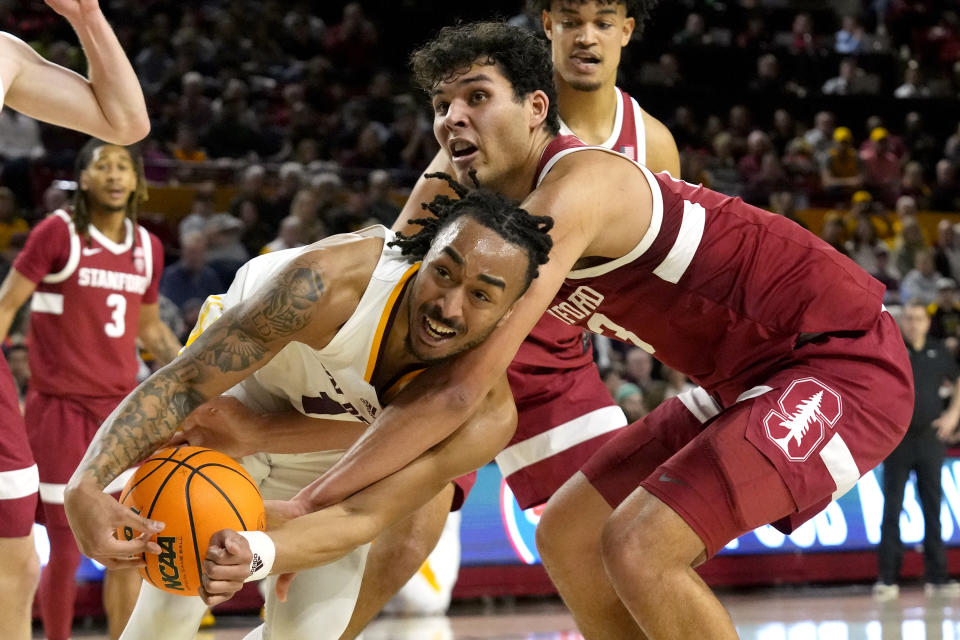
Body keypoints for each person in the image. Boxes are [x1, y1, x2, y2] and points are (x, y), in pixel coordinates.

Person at [210, 22, 910, 639]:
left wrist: (305, 502)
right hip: (743, 378)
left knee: (641, 547)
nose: (454, 118)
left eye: (477, 98)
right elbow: (392, 308)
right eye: (441, 106)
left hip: (840, 360)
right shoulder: (484, 200)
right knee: (569, 534)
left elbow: (459, 391)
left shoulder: (573, 191)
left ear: (537, 107)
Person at [64, 181, 553, 640]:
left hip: (326, 453)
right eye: (443, 273)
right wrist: (84, 483)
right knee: (170, 605)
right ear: (422, 257)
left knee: (311, 630)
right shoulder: (326, 285)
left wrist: (255, 553)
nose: (449, 306)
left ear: (510, 313)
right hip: (238, 401)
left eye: (481, 295)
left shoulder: (483, 416)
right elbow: (187, 384)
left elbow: (361, 513)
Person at [334, 2, 680, 635]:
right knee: (408, 537)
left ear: (627, 32)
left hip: (557, 356)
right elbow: (409, 247)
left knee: (622, 532)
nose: (586, 36)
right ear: (546, 25)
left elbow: (656, 274)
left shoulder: (650, 141)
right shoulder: (494, 113)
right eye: (572, 19)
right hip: (464, 346)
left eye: (604, 21)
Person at [0, 1, 151, 637]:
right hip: (62, 401)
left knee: (15, 558)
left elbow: (126, 121)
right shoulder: (58, 231)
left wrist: (86, 15)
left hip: (112, 400)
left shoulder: (3, 52)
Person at [0, 139, 180, 640]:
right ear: (83, 179)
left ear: (138, 181)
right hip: (58, 409)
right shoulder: (57, 233)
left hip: (121, 415)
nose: (115, 175)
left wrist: (196, 373)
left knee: (126, 545)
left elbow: (150, 330)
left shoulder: (148, 248)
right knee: (64, 545)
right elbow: (6, 303)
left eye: (124, 166)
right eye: (104, 166)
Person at [874, 301, 960, 601]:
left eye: (918, 318)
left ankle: (937, 577)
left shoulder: (939, 352)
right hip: (897, 442)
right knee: (892, 510)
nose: (913, 323)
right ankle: (887, 578)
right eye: (908, 318)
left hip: (930, 441)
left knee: (933, 508)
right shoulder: (890, 349)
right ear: (902, 322)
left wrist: (952, 415)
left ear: (927, 322)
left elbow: (958, 379)